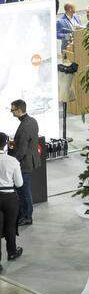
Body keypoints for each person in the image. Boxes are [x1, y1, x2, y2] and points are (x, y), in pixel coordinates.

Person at [10, 99, 39, 226]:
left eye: (13, 110)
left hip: (24, 164)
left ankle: (27, 217)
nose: (11, 112)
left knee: (23, 191)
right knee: (24, 190)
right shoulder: (32, 121)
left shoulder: (24, 127)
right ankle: (25, 214)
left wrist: (12, 163)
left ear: (19, 110)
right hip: (29, 160)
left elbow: (21, 151)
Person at [0, 132, 23, 273]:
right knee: (10, 226)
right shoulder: (13, 161)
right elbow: (19, 184)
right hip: (9, 198)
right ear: (6, 144)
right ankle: (12, 252)